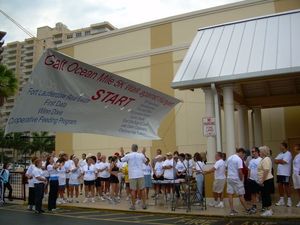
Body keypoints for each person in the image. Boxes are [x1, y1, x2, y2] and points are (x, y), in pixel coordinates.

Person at [121, 144, 147, 210]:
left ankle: (133, 205)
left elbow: (121, 159)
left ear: (131, 148)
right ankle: (144, 204)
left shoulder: (128, 155)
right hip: (140, 174)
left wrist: (122, 152)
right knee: (143, 189)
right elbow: (146, 162)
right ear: (137, 148)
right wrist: (144, 153)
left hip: (132, 175)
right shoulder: (141, 155)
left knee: (133, 190)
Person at [226, 148, 250, 216]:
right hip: (236, 178)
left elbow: (226, 167)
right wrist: (241, 178)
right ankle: (247, 209)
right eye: (243, 155)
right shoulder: (239, 159)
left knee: (230, 194)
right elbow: (240, 171)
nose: (243, 156)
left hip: (229, 177)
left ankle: (232, 210)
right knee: (241, 194)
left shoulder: (229, 158)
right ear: (241, 152)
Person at [274, 142, 293, 207]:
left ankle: (289, 200)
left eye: (281, 146)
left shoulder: (288, 154)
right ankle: (281, 200)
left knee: (286, 186)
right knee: (280, 186)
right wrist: (280, 160)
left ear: (284, 146)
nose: (279, 147)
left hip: (285, 173)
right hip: (279, 173)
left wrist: (279, 161)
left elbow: (284, 161)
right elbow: (275, 161)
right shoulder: (280, 154)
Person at [258, 146, 274, 216]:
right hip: (265, 179)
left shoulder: (266, 159)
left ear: (263, 152)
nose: (259, 153)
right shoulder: (263, 159)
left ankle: (269, 210)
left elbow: (266, 170)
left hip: (266, 180)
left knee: (266, 195)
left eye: (260, 152)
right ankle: (267, 210)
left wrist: (262, 181)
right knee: (264, 195)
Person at [247, 147, 262, 213]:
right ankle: (254, 206)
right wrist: (248, 177)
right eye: (252, 152)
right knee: (253, 193)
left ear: (258, 152)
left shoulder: (261, 160)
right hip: (252, 179)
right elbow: (249, 169)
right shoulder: (251, 160)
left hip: (259, 180)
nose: (253, 153)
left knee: (260, 193)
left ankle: (264, 207)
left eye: (254, 151)